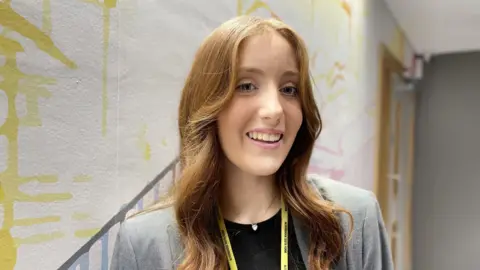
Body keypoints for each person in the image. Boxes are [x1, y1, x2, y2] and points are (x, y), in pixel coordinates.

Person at [110, 15, 393, 270]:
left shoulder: (355, 219)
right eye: (246, 86)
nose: (275, 109)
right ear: (208, 104)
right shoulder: (144, 243)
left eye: (289, 89)